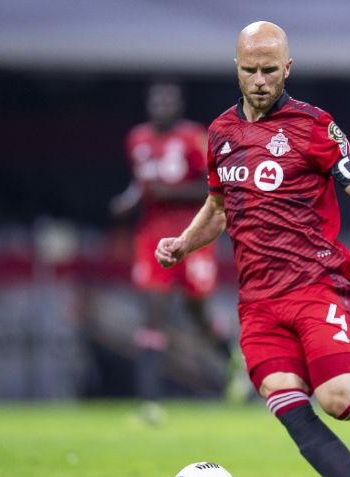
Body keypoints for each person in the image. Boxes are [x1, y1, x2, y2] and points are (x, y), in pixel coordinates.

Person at [156, 21, 350, 477]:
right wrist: (184, 242)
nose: (260, 81)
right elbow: (218, 207)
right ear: (237, 69)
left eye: (269, 70)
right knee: (285, 397)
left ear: (287, 68)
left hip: (315, 286)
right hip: (258, 300)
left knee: (340, 400)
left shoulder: (313, 125)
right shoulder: (220, 133)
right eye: (251, 70)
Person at [111, 81, 222, 422]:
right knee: (152, 314)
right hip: (151, 238)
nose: (161, 108)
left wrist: (167, 193)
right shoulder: (137, 139)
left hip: (193, 236)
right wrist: (127, 202)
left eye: (167, 102)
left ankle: (231, 358)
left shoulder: (193, 138)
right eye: (155, 102)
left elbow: (215, 188)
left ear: (178, 106)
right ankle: (150, 402)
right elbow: (140, 184)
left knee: (197, 313)